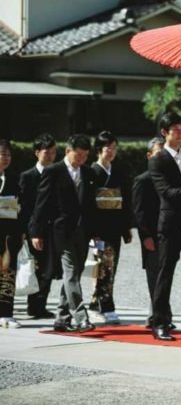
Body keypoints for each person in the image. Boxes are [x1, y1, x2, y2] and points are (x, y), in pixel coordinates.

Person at [30, 134, 98, 332]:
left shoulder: (87, 173)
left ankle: (61, 317)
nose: (82, 160)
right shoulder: (53, 171)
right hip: (61, 231)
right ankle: (81, 317)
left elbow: (90, 205)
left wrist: (95, 232)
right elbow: (41, 204)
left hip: (83, 231)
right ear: (68, 151)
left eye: (85, 156)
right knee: (70, 273)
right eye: (78, 156)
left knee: (74, 273)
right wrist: (36, 232)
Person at [149, 112, 181, 341]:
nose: (180, 134)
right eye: (175, 130)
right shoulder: (157, 160)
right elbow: (166, 193)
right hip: (169, 226)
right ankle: (159, 322)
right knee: (164, 274)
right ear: (164, 132)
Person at [89, 131, 132, 325]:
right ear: (99, 150)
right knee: (100, 267)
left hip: (114, 226)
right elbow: (87, 203)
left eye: (115, 148)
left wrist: (126, 228)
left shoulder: (118, 171)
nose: (112, 152)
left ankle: (102, 304)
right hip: (98, 227)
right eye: (108, 148)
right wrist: (91, 232)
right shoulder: (92, 172)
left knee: (111, 266)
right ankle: (101, 305)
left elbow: (125, 200)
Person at [18, 133, 58, 319]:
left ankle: (40, 305)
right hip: (34, 230)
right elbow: (24, 208)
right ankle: (33, 305)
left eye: (53, 152)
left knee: (49, 269)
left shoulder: (59, 174)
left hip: (54, 228)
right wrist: (27, 232)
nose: (50, 156)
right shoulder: (27, 176)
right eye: (46, 152)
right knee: (34, 268)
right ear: (37, 153)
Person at [132, 137, 164, 329]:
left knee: (164, 277)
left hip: (168, 234)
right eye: (159, 153)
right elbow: (139, 212)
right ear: (149, 155)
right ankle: (156, 316)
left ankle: (160, 314)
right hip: (151, 235)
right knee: (154, 277)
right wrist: (146, 237)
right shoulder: (142, 181)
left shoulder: (169, 178)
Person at [0, 139, 23, 328]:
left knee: (8, 271)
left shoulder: (15, 178)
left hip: (9, 233)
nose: (5, 158)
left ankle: (6, 313)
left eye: (8, 154)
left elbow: (22, 206)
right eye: (2, 154)